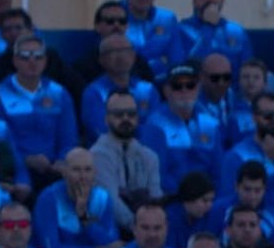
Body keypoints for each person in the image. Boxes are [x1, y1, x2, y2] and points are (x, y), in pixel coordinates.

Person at [33, 147, 123, 248]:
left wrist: (85, 219)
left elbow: (112, 245)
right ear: (64, 172)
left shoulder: (102, 198)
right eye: (76, 170)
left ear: (95, 173)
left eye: (88, 170)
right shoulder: (49, 199)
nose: (83, 176)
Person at [0, 35, 76, 186]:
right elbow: (1, 142)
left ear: (45, 61)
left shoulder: (59, 93)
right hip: (15, 172)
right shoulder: (0, 94)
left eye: (38, 57)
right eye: (25, 57)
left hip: (55, 171)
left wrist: (61, 160)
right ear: (15, 61)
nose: (32, 62)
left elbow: (68, 137)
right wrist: (26, 159)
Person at [143, 64, 223, 198]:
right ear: (166, 91)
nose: (184, 91)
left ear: (198, 89)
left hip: (208, 200)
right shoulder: (155, 125)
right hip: (171, 200)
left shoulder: (210, 124)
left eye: (190, 85)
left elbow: (219, 172)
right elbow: (157, 175)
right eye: (177, 86)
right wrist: (188, 196)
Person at [91, 89, 161, 232]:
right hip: (112, 231)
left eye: (131, 114)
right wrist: (138, 228)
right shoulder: (97, 155)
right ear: (106, 119)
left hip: (147, 230)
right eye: (118, 114)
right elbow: (110, 202)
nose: (126, 119)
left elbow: (156, 199)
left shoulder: (150, 156)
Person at [80, 33, 158, 140]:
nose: (120, 56)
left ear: (133, 56)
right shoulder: (94, 93)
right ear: (101, 60)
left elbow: (155, 129)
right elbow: (100, 131)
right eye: (112, 52)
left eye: (125, 50)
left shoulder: (148, 90)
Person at [180, 0, 251, 76]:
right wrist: (209, 27)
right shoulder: (182, 30)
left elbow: (247, 70)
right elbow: (189, 68)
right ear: (194, 1)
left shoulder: (237, 31)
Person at [119, 0, 179, 76]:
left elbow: (176, 61)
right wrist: (158, 59)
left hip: (162, 82)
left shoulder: (167, 19)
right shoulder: (116, 17)